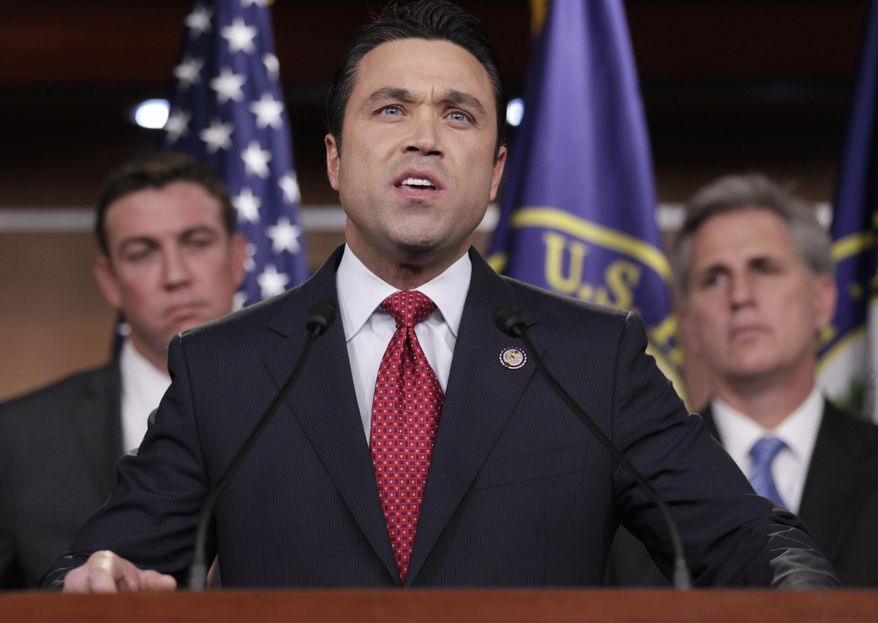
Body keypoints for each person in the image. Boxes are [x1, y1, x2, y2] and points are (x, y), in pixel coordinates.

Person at [47, 1, 837, 592]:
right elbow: (97, 569)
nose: (423, 135)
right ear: (334, 156)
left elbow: (744, 539)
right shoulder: (224, 366)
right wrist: (91, 579)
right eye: (390, 108)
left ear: (494, 172)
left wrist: (804, 590)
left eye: (457, 114)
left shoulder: (593, 359)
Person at [606, 174, 878, 587]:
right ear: (689, 324)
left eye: (763, 268)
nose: (740, 296)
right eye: (714, 278)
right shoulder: (628, 492)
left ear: (823, 300)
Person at [0, 152, 246, 588]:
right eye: (142, 253)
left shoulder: (313, 404)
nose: (175, 275)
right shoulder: (15, 437)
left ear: (238, 257)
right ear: (109, 280)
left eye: (196, 242)